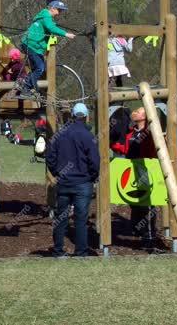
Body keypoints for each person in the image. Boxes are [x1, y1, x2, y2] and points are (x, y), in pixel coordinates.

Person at [46, 103, 99, 257]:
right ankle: (81, 252)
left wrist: (57, 173)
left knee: (61, 217)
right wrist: (93, 176)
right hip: (83, 183)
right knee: (81, 219)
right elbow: (95, 160)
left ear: (73, 115)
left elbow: (50, 156)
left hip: (64, 182)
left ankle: (58, 250)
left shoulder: (60, 134)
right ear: (86, 116)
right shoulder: (88, 136)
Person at [110, 107, 158, 241]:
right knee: (134, 202)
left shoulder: (150, 133)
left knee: (146, 203)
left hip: (146, 171)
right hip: (132, 171)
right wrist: (111, 144)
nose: (134, 112)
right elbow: (124, 148)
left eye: (138, 111)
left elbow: (152, 153)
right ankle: (137, 229)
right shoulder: (132, 133)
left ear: (145, 116)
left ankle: (148, 234)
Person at [21, 0, 75, 92]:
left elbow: (50, 27)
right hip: (31, 45)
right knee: (40, 68)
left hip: (33, 46)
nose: (59, 13)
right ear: (52, 8)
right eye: (59, 10)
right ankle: (26, 88)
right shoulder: (46, 16)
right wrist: (66, 34)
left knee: (37, 68)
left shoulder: (46, 17)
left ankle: (26, 83)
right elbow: (51, 28)